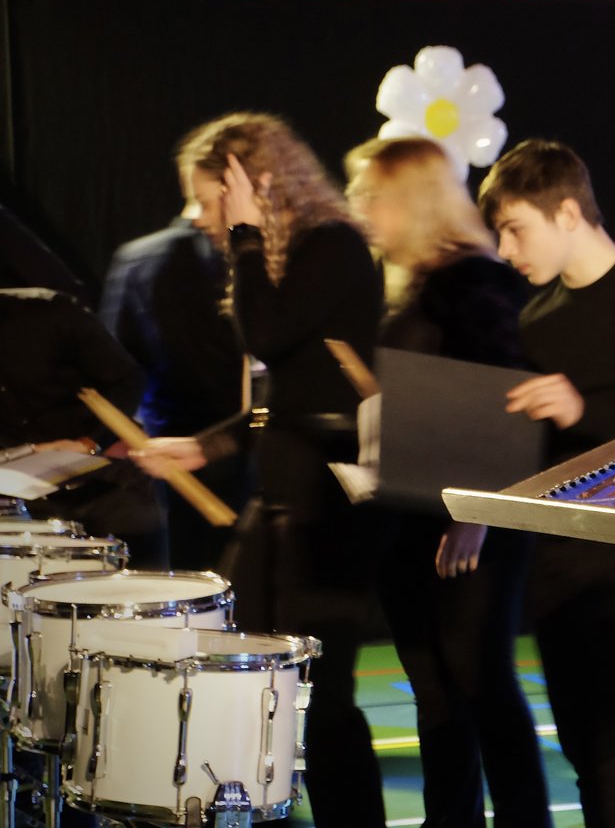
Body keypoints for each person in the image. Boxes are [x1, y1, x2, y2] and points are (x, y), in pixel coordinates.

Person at [132, 112, 386, 828]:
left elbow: (269, 338)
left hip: (327, 509)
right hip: (281, 499)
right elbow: (285, 397)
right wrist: (205, 447)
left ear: (255, 184)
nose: (196, 215)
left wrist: (245, 233)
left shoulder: (331, 245)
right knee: (244, 671)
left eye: (207, 196)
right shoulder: (286, 261)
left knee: (320, 695)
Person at [477, 139, 615, 828]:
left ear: (568, 213)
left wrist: (584, 413)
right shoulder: (534, 320)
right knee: (583, 756)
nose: (505, 250)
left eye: (516, 229)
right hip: (560, 570)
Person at [344, 136, 552, 828]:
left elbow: (508, 401)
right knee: (437, 690)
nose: (360, 210)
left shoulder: (475, 281)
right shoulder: (413, 282)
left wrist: (477, 511)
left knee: (480, 682)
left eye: (373, 196)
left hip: (469, 523)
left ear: (413, 201)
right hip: (412, 514)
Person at [101, 124, 251, 570]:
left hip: (171, 452)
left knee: (190, 584)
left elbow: (116, 364)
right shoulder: (260, 258)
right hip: (245, 450)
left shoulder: (138, 258)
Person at [0, 286, 168, 564]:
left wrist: (90, 443)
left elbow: (128, 381)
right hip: (30, 498)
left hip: (108, 482)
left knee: (136, 582)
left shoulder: (50, 311)